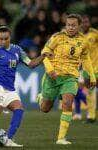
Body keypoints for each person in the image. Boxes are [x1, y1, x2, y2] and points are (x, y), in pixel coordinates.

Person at [37, 14, 96, 145]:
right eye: (68, 25)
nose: (70, 27)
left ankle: (61, 138)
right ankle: (41, 97)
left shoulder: (83, 41)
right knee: (45, 108)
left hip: (70, 77)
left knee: (68, 103)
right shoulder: (56, 37)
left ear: (79, 26)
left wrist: (91, 75)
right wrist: (49, 69)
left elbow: (86, 59)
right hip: (53, 76)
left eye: (73, 25)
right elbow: (44, 53)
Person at [74, 15, 98, 123]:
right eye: (83, 22)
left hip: (96, 67)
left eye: (86, 22)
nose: (85, 24)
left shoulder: (95, 34)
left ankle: (91, 116)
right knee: (90, 92)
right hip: (86, 69)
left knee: (91, 91)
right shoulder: (79, 37)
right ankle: (91, 116)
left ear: (89, 23)